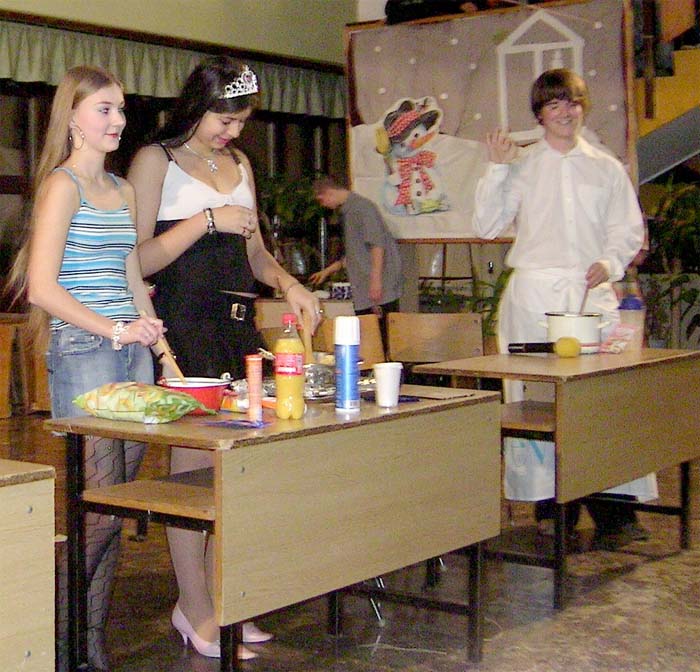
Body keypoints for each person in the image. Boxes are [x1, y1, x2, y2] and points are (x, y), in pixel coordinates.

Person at [127, 56, 322, 660]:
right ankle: (194, 608)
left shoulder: (240, 164)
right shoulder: (156, 159)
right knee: (192, 471)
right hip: (182, 324)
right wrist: (205, 221)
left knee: (239, 465)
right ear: (198, 105)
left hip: (236, 327)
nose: (232, 132)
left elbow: (256, 254)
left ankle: (222, 597)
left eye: (241, 122)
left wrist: (289, 284)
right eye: (224, 120)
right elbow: (136, 258)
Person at [10, 65, 166, 670]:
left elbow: (131, 277)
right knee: (96, 511)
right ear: (71, 116)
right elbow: (42, 288)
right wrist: (116, 329)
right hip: (84, 352)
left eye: (121, 109)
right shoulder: (62, 186)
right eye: (104, 109)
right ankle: (54, 631)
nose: (118, 120)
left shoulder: (124, 190)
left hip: (131, 351)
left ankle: (88, 643)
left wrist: (161, 350)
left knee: (116, 508)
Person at [472, 68, 655, 548]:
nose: (565, 112)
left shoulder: (605, 167)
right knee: (540, 404)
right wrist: (496, 168)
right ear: (540, 114)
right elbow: (487, 225)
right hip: (534, 297)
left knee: (605, 400)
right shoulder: (522, 166)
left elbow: (627, 230)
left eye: (572, 102)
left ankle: (615, 510)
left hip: (591, 294)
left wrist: (608, 262)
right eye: (554, 104)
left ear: (582, 107)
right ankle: (553, 508)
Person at [310, 176, 403, 346]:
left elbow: (377, 244)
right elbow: (356, 252)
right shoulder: (349, 211)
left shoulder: (362, 208)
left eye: (321, 200)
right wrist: (328, 270)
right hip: (364, 288)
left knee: (381, 340)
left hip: (376, 289)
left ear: (329, 193)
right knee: (367, 340)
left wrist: (376, 281)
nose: (323, 205)